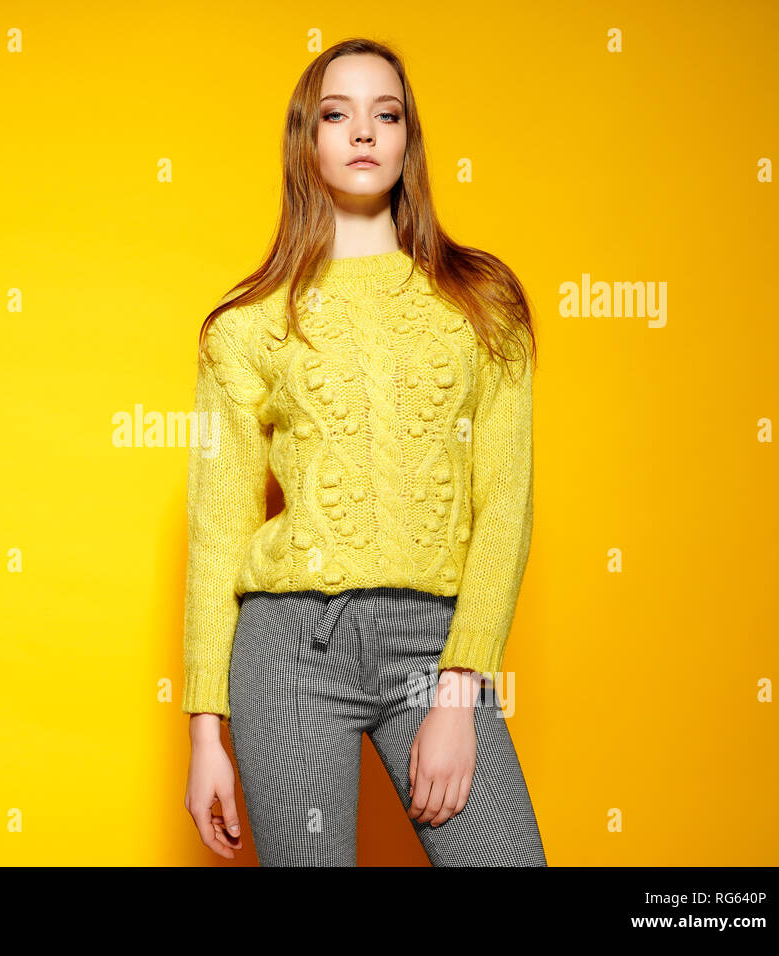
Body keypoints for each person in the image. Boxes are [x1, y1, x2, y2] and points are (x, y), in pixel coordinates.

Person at [181, 37, 547, 866]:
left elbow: (507, 508)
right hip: (289, 652)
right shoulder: (245, 327)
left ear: (409, 140)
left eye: (386, 114)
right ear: (306, 141)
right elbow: (217, 531)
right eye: (337, 115)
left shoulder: (482, 305)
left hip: (433, 647)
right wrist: (206, 728)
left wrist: (460, 688)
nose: (363, 133)